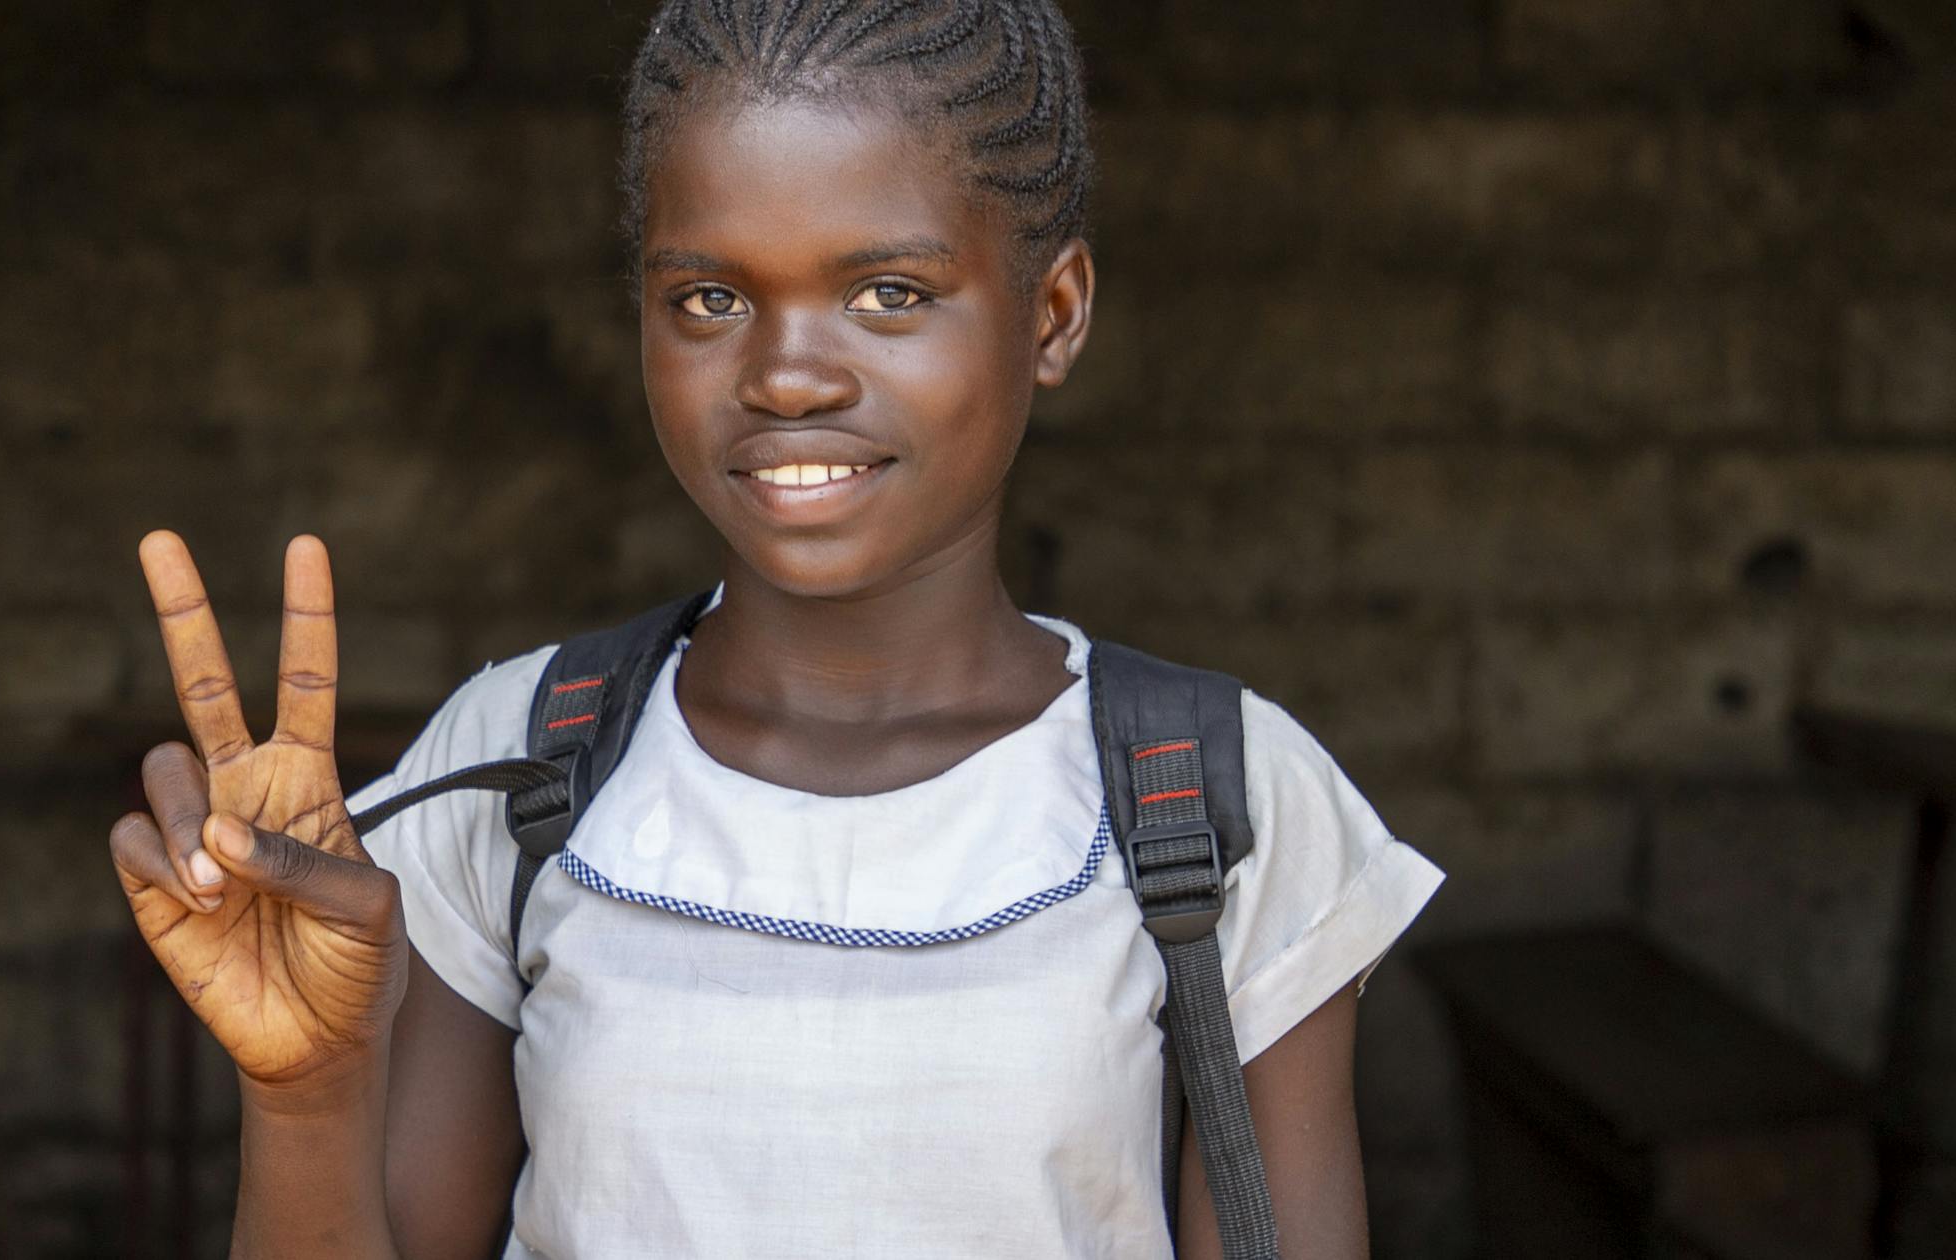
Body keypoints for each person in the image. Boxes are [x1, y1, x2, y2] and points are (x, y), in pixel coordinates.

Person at [104, 3, 1443, 1255]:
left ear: (1054, 313)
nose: (787, 374)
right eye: (711, 300)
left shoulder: (1214, 799)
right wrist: (307, 1092)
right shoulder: (520, 768)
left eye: (890, 295)